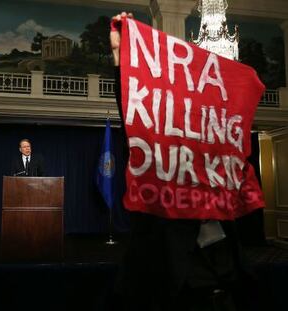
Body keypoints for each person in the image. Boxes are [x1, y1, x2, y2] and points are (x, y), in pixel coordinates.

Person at [110, 12, 263, 311]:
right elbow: (133, 110)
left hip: (227, 293)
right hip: (176, 296)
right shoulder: (160, 172)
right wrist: (120, 56)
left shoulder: (221, 177)